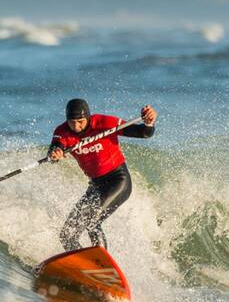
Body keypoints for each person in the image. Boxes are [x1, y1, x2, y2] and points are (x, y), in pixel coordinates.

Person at [48, 99, 157, 250]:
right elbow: (54, 149)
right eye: (72, 122)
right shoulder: (62, 132)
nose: (76, 126)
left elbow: (143, 133)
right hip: (95, 186)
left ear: (88, 117)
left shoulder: (104, 122)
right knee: (67, 235)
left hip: (118, 181)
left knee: (92, 221)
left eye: (80, 121)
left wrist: (149, 123)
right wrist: (55, 154)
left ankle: (101, 264)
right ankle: (83, 266)